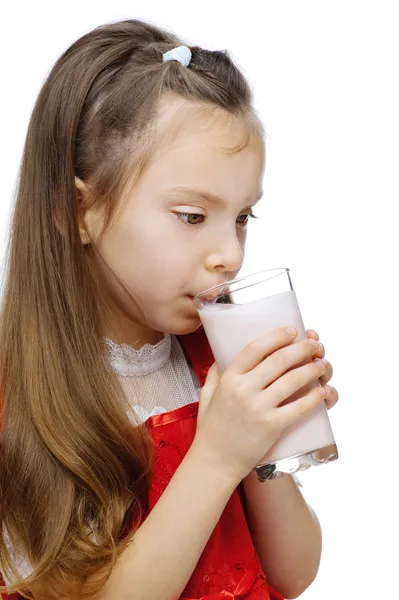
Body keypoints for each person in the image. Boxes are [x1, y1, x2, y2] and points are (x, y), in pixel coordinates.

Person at [0, 18, 339, 600]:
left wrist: (265, 442)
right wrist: (215, 456)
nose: (228, 256)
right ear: (75, 210)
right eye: (191, 216)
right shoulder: (22, 404)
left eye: (241, 218)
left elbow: (295, 572)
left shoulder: (212, 359)